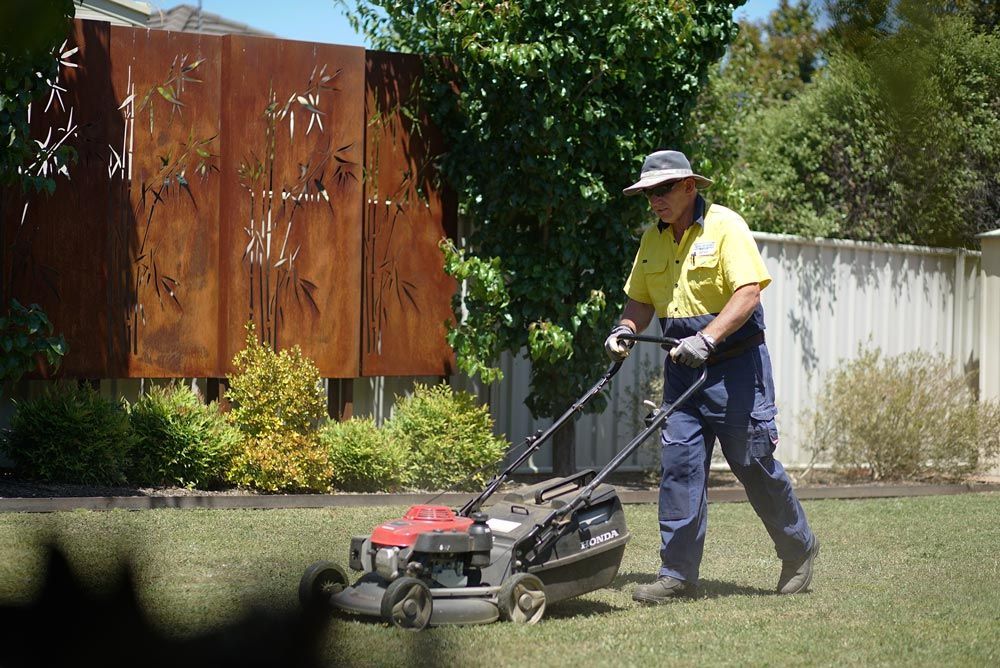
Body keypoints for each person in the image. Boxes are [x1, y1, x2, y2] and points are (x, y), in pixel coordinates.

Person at [605, 149, 818, 602]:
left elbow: (747, 295)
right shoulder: (652, 240)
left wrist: (709, 338)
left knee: (752, 463)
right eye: (647, 193)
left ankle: (798, 548)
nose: (653, 200)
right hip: (682, 370)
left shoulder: (725, 226)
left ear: (688, 187)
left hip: (735, 367)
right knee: (679, 469)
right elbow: (640, 300)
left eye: (661, 190)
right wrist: (625, 328)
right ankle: (677, 575)